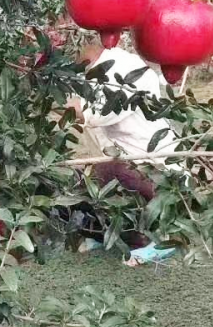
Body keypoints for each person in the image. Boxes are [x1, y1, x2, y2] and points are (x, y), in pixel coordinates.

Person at [69, 38, 178, 262]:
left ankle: (160, 240)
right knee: (89, 179)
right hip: (121, 160)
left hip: (156, 169)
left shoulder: (125, 67)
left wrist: (44, 93)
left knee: (114, 170)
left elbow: (95, 112)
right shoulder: (87, 72)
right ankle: (104, 233)